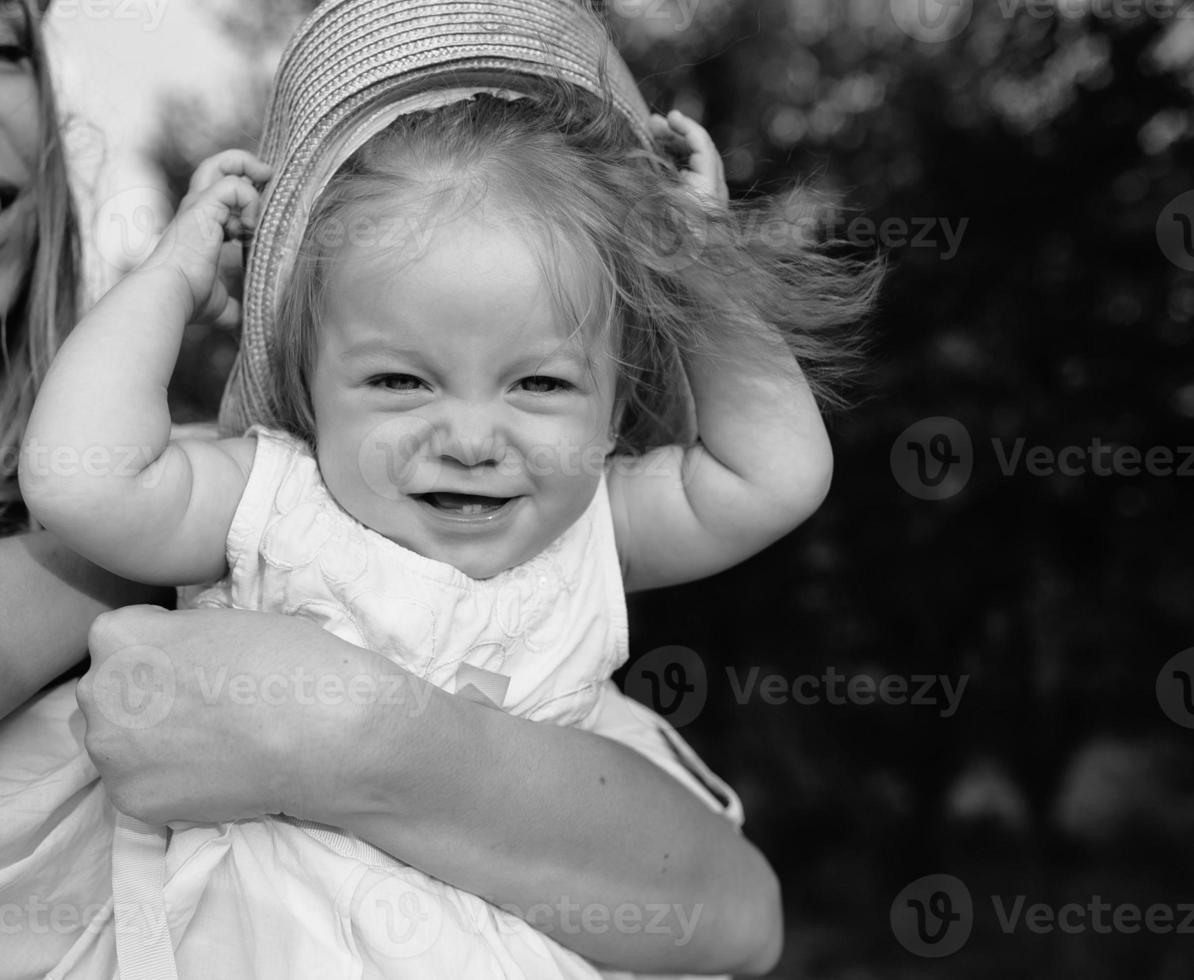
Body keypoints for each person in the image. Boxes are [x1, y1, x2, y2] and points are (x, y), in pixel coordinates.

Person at [19, 0, 877, 976]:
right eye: (399, 380)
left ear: (611, 404)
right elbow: (76, 480)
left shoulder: (594, 525)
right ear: (307, 385)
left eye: (541, 383)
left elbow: (783, 471)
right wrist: (173, 272)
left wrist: (704, 268)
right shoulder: (277, 500)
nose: (470, 438)